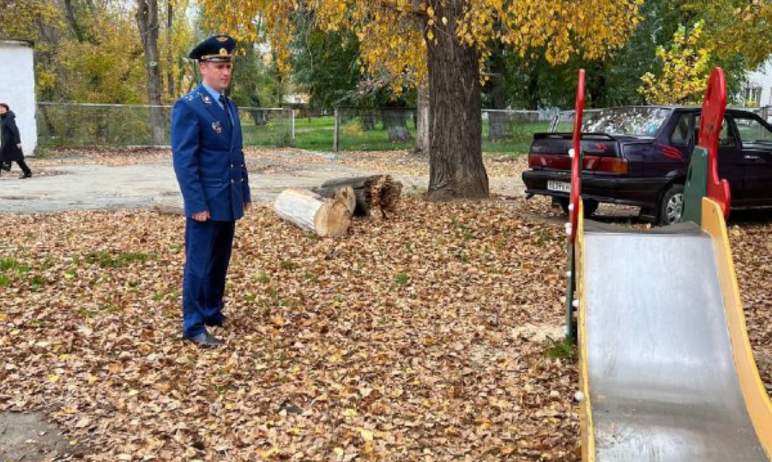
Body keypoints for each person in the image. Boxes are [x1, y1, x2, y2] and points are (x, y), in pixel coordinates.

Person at [171, 35, 251, 347]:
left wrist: (243, 193)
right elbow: (184, 160)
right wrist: (195, 203)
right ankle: (192, 325)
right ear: (203, 68)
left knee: (219, 261)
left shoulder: (228, 106)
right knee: (198, 264)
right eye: (219, 66)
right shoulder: (190, 106)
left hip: (227, 199)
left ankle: (211, 310)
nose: (225, 72)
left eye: (228, 65)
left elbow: (236, 154)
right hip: (205, 201)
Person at [0, 103, 32, 179]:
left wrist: (18, 141)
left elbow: (15, 131)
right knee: (4, 158)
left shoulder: (8, 118)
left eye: (2, 107)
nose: (1, 109)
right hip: (5, 143)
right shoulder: (3, 118)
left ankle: (27, 172)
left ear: (6, 109)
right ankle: (26, 172)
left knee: (18, 159)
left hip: (12, 143)